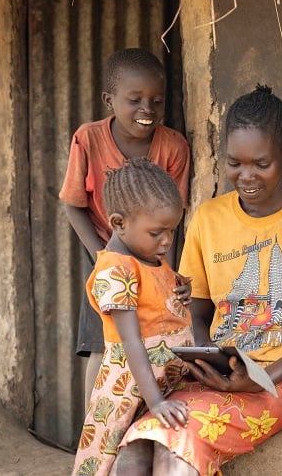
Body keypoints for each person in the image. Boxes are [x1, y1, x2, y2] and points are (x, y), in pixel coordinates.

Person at [112, 84, 282, 475]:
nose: (246, 176)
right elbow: (195, 307)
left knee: (175, 442)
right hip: (224, 372)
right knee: (138, 444)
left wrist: (262, 379)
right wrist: (208, 356)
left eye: (261, 164)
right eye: (234, 163)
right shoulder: (209, 218)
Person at [58, 48, 191, 407]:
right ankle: (91, 434)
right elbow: (73, 204)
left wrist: (169, 271)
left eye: (156, 101)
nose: (147, 109)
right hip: (107, 252)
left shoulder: (173, 147)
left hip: (155, 259)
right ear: (109, 100)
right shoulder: (88, 139)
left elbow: (171, 222)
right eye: (135, 100)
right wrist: (103, 257)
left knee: (155, 339)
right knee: (103, 346)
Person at [72, 158, 194, 476]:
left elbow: (159, 304)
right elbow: (131, 341)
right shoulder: (116, 269)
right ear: (119, 222)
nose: (167, 241)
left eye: (171, 231)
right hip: (128, 388)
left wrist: (181, 293)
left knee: (135, 453)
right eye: (157, 232)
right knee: (107, 460)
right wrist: (155, 402)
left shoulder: (150, 257)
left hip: (158, 383)